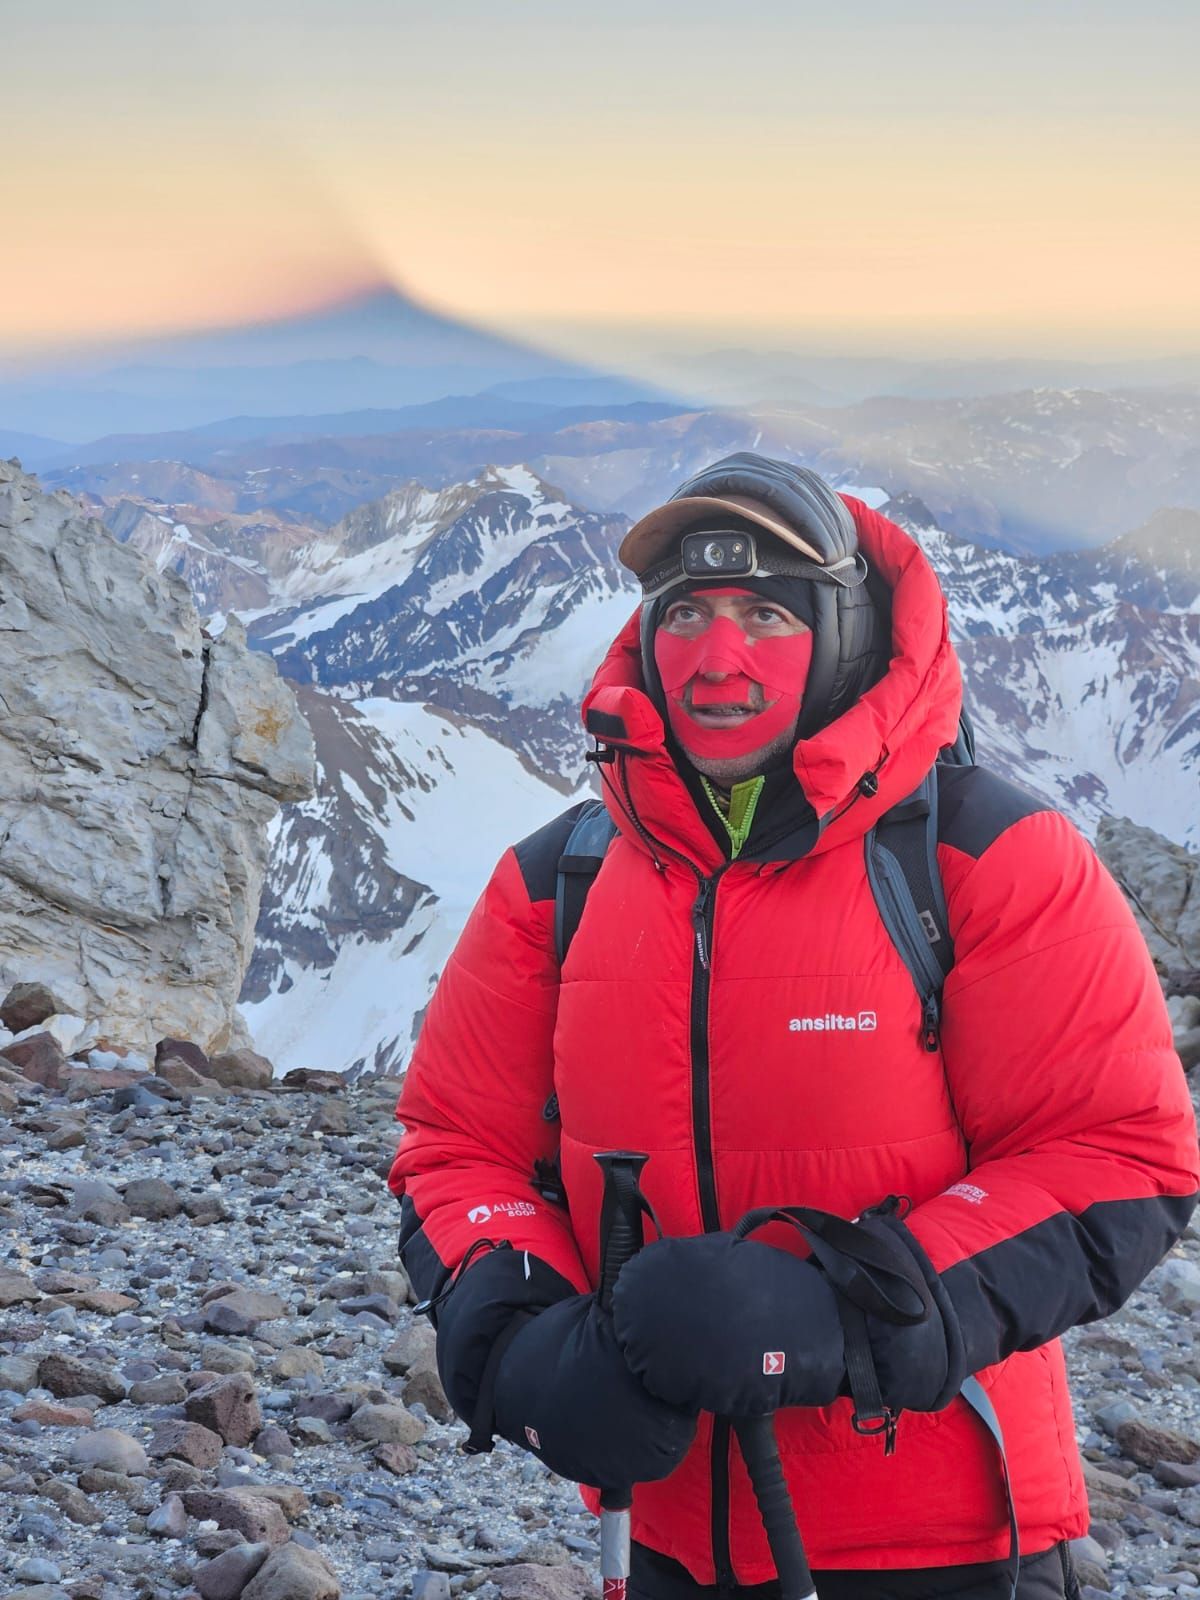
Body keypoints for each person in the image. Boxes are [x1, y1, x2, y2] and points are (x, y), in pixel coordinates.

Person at [387, 453, 1199, 1600]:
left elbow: (1119, 1158)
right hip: (662, 1529)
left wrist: (845, 1309)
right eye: (688, 617)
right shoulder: (556, 882)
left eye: (767, 613)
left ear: (850, 634)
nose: (717, 660)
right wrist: (515, 1337)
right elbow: (452, 1146)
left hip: (948, 1545)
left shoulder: (982, 861)